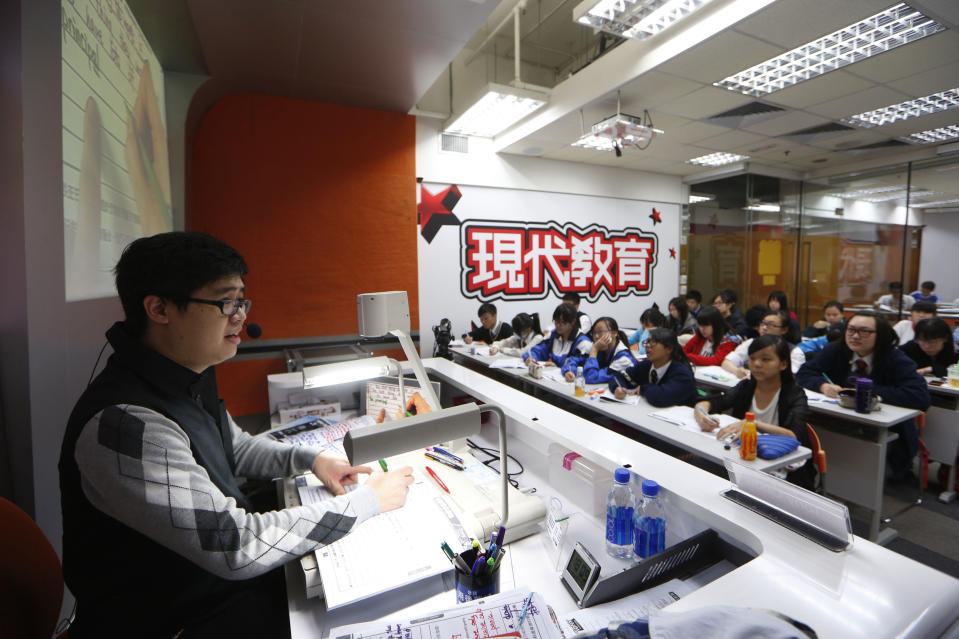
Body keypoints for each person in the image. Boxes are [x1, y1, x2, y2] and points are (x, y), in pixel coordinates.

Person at [59, 232, 415, 638]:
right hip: (173, 621)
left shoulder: (184, 373)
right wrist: (369, 502)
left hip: (212, 592)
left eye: (241, 301)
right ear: (158, 308)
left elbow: (234, 447)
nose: (241, 316)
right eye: (225, 302)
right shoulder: (126, 423)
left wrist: (310, 460)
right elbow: (234, 545)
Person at [796, 310, 930, 482]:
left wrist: (869, 392)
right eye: (850, 330)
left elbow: (920, 397)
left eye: (865, 331)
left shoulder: (895, 358)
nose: (855, 336)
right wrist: (823, 385)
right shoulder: (837, 350)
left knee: (868, 475)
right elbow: (806, 372)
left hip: (885, 430)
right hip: (841, 420)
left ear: (880, 335)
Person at [694, 335, 814, 488]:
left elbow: (794, 435)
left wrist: (753, 424)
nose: (756, 364)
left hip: (781, 467)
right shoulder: (746, 387)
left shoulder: (794, 394)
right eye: (752, 358)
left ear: (783, 364)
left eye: (765, 359)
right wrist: (701, 414)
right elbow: (714, 402)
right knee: (701, 463)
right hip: (743, 458)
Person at [609, 328, 697, 408]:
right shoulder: (646, 365)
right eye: (647, 342)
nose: (647, 346)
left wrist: (643, 388)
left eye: (653, 343)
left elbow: (661, 398)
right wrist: (618, 387)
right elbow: (618, 376)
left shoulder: (682, 373)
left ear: (669, 349)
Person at [721, 310, 805, 378]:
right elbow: (727, 362)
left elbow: (790, 376)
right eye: (763, 323)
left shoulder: (795, 352)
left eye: (770, 325)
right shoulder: (751, 343)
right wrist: (737, 371)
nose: (764, 328)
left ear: (784, 330)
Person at [524, 302, 592, 376]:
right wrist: (530, 358)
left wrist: (558, 368)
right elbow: (538, 349)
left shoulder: (583, 343)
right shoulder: (553, 335)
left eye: (563, 322)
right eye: (556, 321)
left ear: (573, 322)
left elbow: (578, 366)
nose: (558, 325)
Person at [582, 317, 637, 384]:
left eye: (600, 332)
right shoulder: (600, 348)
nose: (596, 336)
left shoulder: (623, 359)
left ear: (614, 333)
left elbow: (591, 377)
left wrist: (594, 350)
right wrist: (569, 371)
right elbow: (576, 360)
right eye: (594, 333)